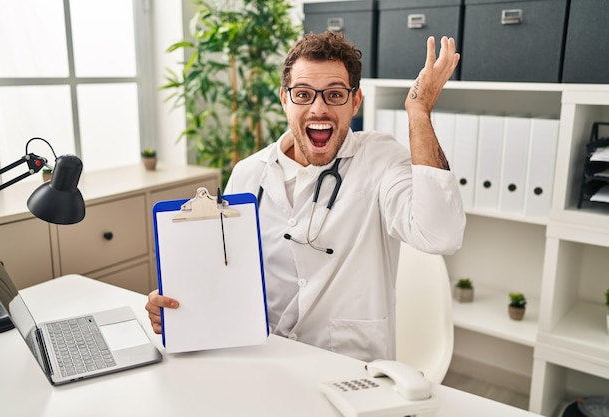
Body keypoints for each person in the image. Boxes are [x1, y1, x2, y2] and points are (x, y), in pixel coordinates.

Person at [146, 31, 465, 362]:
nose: (319, 108)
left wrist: (418, 110)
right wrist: (178, 307)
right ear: (285, 99)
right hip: (261, 358)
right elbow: (219, 276)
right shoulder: (248, 174)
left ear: (355, 102)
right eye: (303, 94)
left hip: (350, 370)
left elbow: (440, 234)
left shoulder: (379, 158)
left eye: (335, 94)